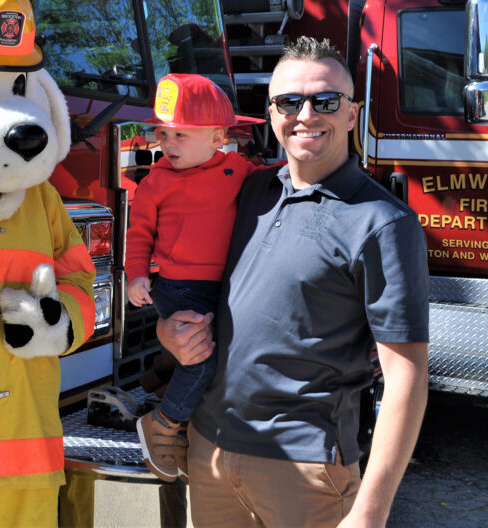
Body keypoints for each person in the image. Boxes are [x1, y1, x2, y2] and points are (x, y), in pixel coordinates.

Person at [160, 36, 429, 527]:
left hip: (304, 471)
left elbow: (406, 377)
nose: (306, 114)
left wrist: (371, 510)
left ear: (352, 114)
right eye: (289, 101)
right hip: (210, 453)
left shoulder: (384, 224)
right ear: (270, 114)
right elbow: (197, 284)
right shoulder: (248, 190)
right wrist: (167, 330)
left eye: (325, 100)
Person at [125, 73, 262, 483]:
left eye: (180, 135)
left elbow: (279, 179)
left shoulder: (239, 171)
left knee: (221, 361)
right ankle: (163, 425)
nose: (167, 144)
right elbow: (139, 234)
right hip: (177, 286)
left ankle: (173, 409)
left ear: (218, 136)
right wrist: (135, 275)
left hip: (224, 288)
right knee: (202, 361)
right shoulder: (155, 183)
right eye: (163, 134)